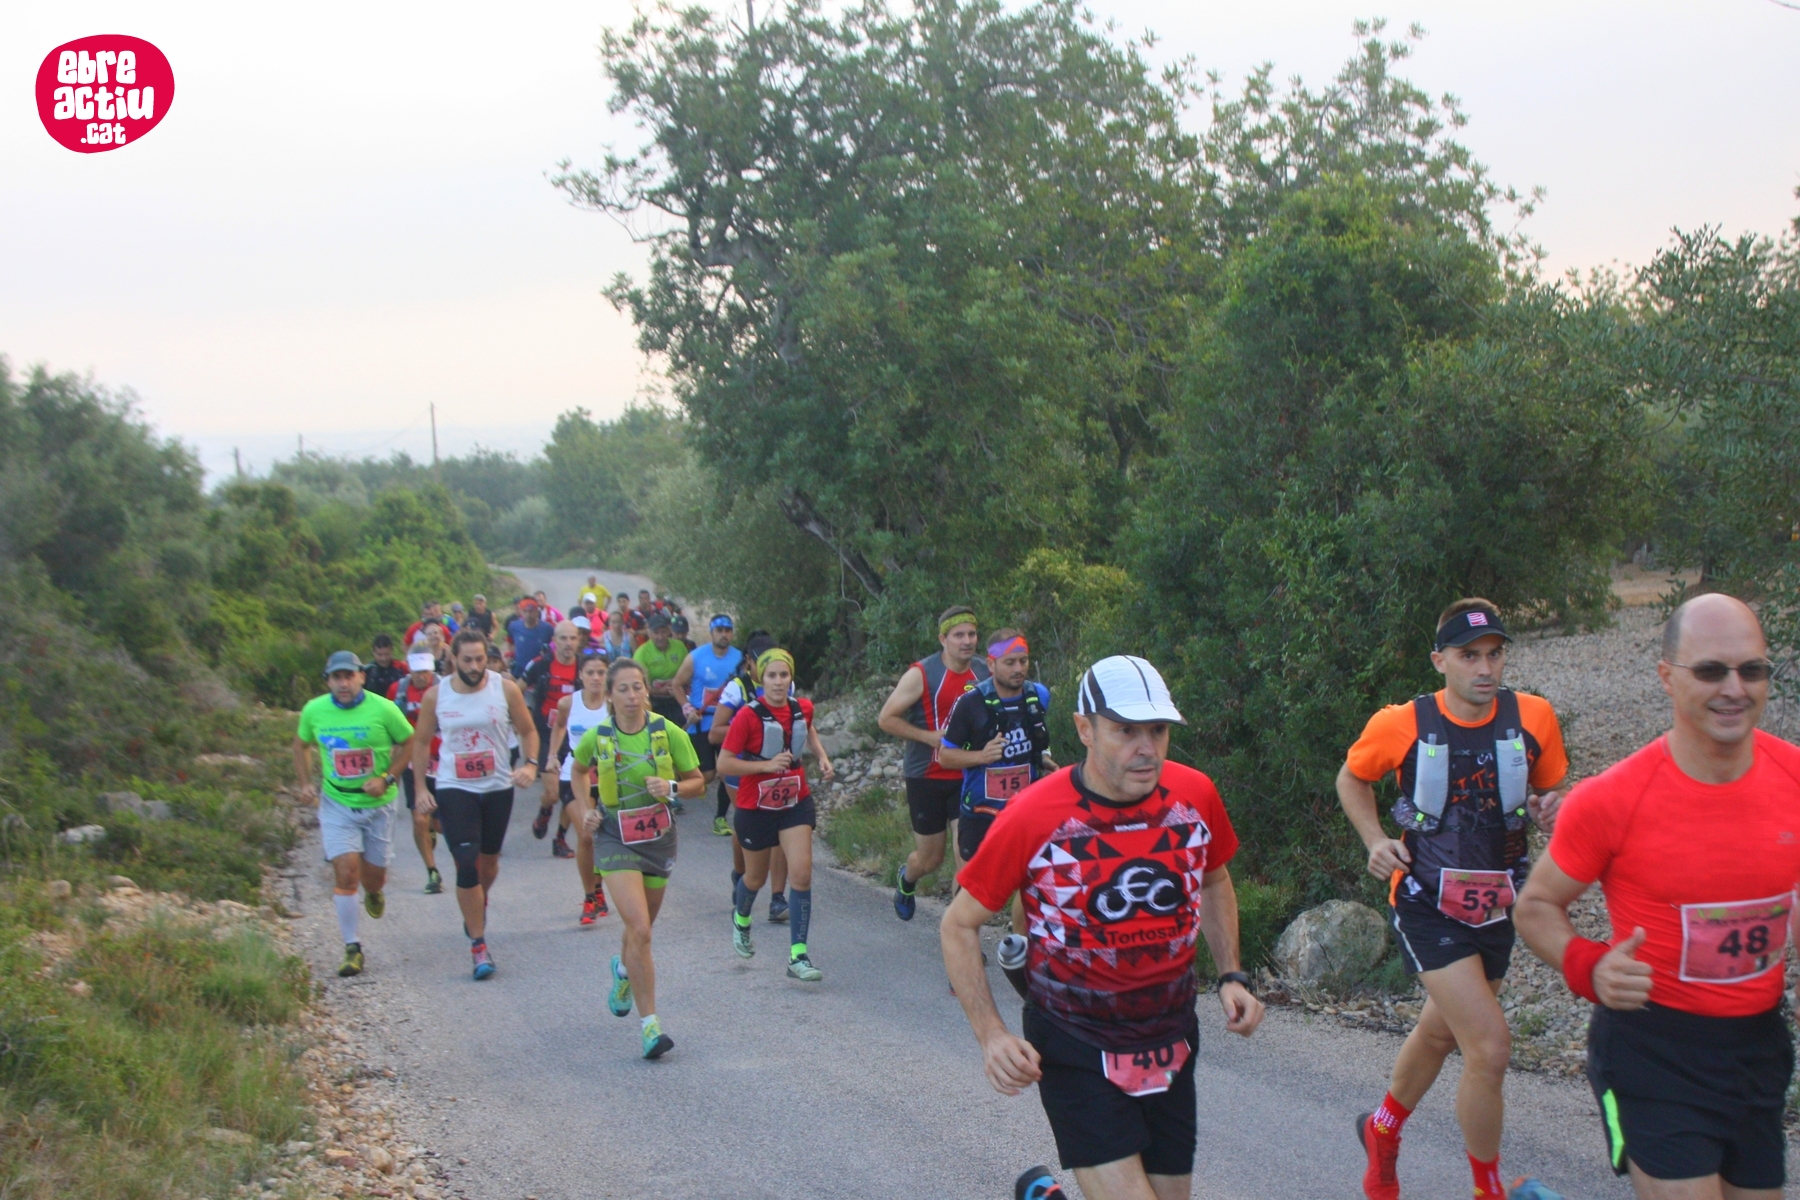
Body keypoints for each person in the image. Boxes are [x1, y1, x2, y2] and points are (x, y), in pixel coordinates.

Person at [943, 654, 1264, 1200]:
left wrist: (1232, 974)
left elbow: (1213, 880)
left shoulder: (1195, 796)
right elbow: (958, 924)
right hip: (1074, 1038)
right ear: (1085, 729)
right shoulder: (1034, 814)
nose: (1147, 747)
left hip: (1170, 1034)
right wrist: (991, 1035)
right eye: (1126, 730)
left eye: (1158, 730)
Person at [1515, 594, 1799, 1200]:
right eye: (1711, 671)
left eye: (1752, 670)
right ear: (1667, 676)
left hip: (1758, 1049)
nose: (1735, 689)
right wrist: (1590, 965)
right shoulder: (1611, 799)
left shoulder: (1793, 780)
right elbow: (1535, 906)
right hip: (1652, 1051)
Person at [1337, 599, 1568, 1200]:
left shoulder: (1534, 716)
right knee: (1489, 1048)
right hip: (1424, 902)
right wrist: (1375, 840)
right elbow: (1352, 776)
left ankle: (1382, 1131)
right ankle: (1488, 1190)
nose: (1485, 669)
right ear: (1440, 660)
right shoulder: (1401, 723)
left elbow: (1549, 792)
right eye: (1469, 656)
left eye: (1494, 654)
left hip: (1496, 904)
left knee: (1441, 1034)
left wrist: (1550, 808)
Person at [570, 657, 705, 1058]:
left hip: (658, 837)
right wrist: (586, 809)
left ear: (647, 691)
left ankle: (624, 969)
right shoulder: (597, 737)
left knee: (639, 931)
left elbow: (698, 783)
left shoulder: (669, 733)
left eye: (638, 687)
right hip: (615, 835)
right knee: (641, 930)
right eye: (623, 689)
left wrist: (671, 787)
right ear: (609, 696)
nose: (632, 695)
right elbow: (577, 771)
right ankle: (651, 1027)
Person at [409, 630, 540, 980]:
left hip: (497, 785)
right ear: (453, 658)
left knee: (489, 863)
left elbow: (528, 730)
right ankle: (479, 945)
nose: (474, 666)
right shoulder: (437, 695)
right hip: (454, 786)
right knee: (466, 862)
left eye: (480, 659)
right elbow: (420, 743)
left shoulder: (505, 689)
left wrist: (530, 765)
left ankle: (477, 903)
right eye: (466, 660)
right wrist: (420, 788)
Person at [294, 650, 415, 979]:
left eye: (349, 676)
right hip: (337, 803)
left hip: (378, 806)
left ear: (362, 676)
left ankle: (373, 892)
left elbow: (410, 743)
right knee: (347, 873)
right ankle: (352, 946)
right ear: (328, 681)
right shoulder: (314, 710)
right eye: (337, 677)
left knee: (372, 877)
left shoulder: (384, 709)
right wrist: (305, 783)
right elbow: (300, 744)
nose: (343, 683)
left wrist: (387, 777)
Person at [717, 648, 835, 980]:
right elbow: (724, 763)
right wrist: (765, 766)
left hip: (795, 801)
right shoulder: (747, 716)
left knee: (802, 875)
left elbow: (808, 729)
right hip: (755, 806)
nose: (778, 682)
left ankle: (798, 956)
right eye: (772, 675)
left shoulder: (803, 707)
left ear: (791, 678)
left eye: (784, 675)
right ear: (761, 678)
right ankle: (742, 918)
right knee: (755, 878)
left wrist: (822, 756)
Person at [938, 628, 1056, 933]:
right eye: (1010, 662)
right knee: (973, 890)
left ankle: (1021, 947)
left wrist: (1043, 760)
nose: (1018, 669)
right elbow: (945, 757)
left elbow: (1035, 742)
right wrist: (981, 756)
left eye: (1023, 661)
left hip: (1025, 810)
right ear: (991, 665)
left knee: (1032, 884)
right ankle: (964, 944)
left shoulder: (1038, 696)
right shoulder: (970, 704)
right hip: (981, 811)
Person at [879, 605, 990, 919]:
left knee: (967, 858)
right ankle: (907, 878)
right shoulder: (922, 674)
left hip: (968, 776)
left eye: (972, 634)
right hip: (926, 775)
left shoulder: (985, 672)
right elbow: (886, 718)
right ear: (943, 639)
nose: (967, 641)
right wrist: (929, 737)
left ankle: (960, 932)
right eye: (958, 635)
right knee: (929, 859)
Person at [710, 632, 790, 918]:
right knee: (746, 827)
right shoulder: (737, 688)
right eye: (763, 662)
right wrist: (749, 730)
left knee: (781, 830)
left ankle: (778, 898)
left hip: (778, 768)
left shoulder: (786, 683)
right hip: (742, 769)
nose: (775, 673)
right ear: (749, 662)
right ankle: (741, 875)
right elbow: (715, 732)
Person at [548, 652, 613, 923]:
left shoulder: (614, 704)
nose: (596, 678)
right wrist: (552, 755)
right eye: (590, 673)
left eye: (601, 673)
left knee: (603, 838)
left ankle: (598, 888)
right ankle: (589, 897)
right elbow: (559, 726)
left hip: (608, 778)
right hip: (573, 775)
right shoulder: (568, 703)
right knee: (586, 835)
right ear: (580, 676)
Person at [673, 614, 744, 822]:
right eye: (719, 630)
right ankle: (671, 790)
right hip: (700, 722)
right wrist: (687, 708)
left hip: (727, 724)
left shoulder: (740, 659)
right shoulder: (696, 657)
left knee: (727, 771)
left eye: (728, 631)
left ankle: (720, 818)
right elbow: (677, 684)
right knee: (707, 775)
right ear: (711, 632)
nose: (724, 635)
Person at [387, 650, 445, 894]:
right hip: (414, 762)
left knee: (441, 824)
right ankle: (432, 872)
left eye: (426, 671)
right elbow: (389, 723)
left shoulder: (445, 688)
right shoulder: (398, 690)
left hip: (444, 762)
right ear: (409, 670)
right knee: (420, 819)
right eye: (417, 672)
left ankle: (433, 827)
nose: (422, 676)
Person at [523, 621, 583, 774]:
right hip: (545, 734)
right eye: (563, 638)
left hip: (575, 733)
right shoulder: (540, 665)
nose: (568, 643)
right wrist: (524, 715)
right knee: (551, 787)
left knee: (574, 783)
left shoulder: (585, 667)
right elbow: (516, 690)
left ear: (578, 640)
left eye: (572, 638)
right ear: (554, 640)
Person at [634, 613, 690, 731]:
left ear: (669, 631)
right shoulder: (641, 653)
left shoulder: (679, 647)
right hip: (654, 702)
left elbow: (689, 673)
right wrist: (660, 691)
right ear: (649, 633)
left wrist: (679, 685)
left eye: (663, 632)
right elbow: (638, 686)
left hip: (678, 699)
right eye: (656, 633)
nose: (660, 637)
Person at [505, 598, 553, 677]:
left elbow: (555, 643)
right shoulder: (514, 626)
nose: (528, 614)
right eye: (525, 611)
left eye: (531, 611)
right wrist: (511, 654)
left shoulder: (547, 628)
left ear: (536, 612)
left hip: (539, 672)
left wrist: (548, 654)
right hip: (519, 671)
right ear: (521, 612)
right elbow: (510, 641)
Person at [364, 633, 406, 704]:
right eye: (379, 655)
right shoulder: (367, 671)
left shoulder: (401, 667)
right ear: (373, 652)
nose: (383, 658)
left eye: (387, 654)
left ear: (392, 651)